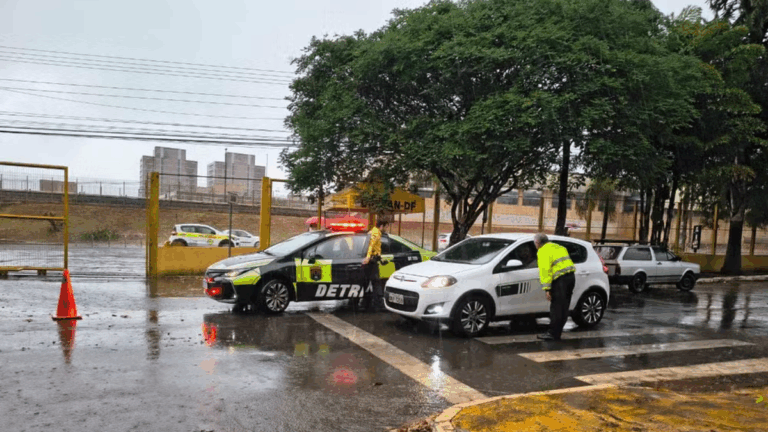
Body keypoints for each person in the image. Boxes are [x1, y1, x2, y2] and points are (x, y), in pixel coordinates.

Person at [534, 233, 576, 340]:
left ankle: (552, 334)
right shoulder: (559, 247)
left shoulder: (543, 251)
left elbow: (545, 271)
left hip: (560, 280)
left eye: (535, 243)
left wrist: (547, 289)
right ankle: (558, 332)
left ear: (538, 243)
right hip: (571, 278)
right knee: (564, 307)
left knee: (556, 307)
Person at [362, 218, 389, 310]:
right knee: (376, 282)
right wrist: (368, 257)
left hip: (373, 260)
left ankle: (364, 302)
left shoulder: (373, 231)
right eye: (386, 226)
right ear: (382, 226)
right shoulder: (376, 233)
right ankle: (378, 303)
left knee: (368, 282)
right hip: (372, 261)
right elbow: (370, 245)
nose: (387, 228)